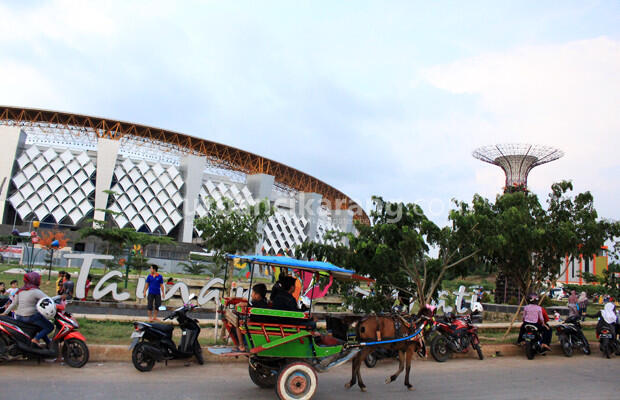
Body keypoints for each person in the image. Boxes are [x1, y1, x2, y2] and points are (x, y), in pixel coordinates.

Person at [1, 272, 54, 346]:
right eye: (38, 279)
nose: (40, 281)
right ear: (35, 280)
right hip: (31, 317)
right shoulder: (36, 291)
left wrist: (5, 313)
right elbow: (48, 300)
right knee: (50, 326)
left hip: (19, 317)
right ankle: (36, 339)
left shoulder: (20, 291)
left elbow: (13, 303)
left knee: (39, 327)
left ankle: (49, 344)